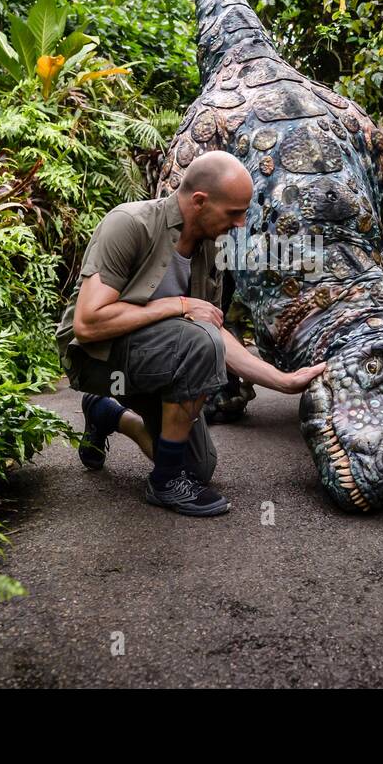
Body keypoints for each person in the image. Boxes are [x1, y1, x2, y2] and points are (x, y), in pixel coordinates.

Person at [55, 151, 327, 516]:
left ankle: (107, 414)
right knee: (199, 344)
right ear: (199, 201)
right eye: (234, 212)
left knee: (198, 469)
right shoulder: (130, 224)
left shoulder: (211, 249)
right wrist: (178, 305)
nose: (241, 222)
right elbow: (87, 324)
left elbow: (213, 327)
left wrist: (284, 381)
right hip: (99, 359)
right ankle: (165, 484)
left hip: (162, 361)